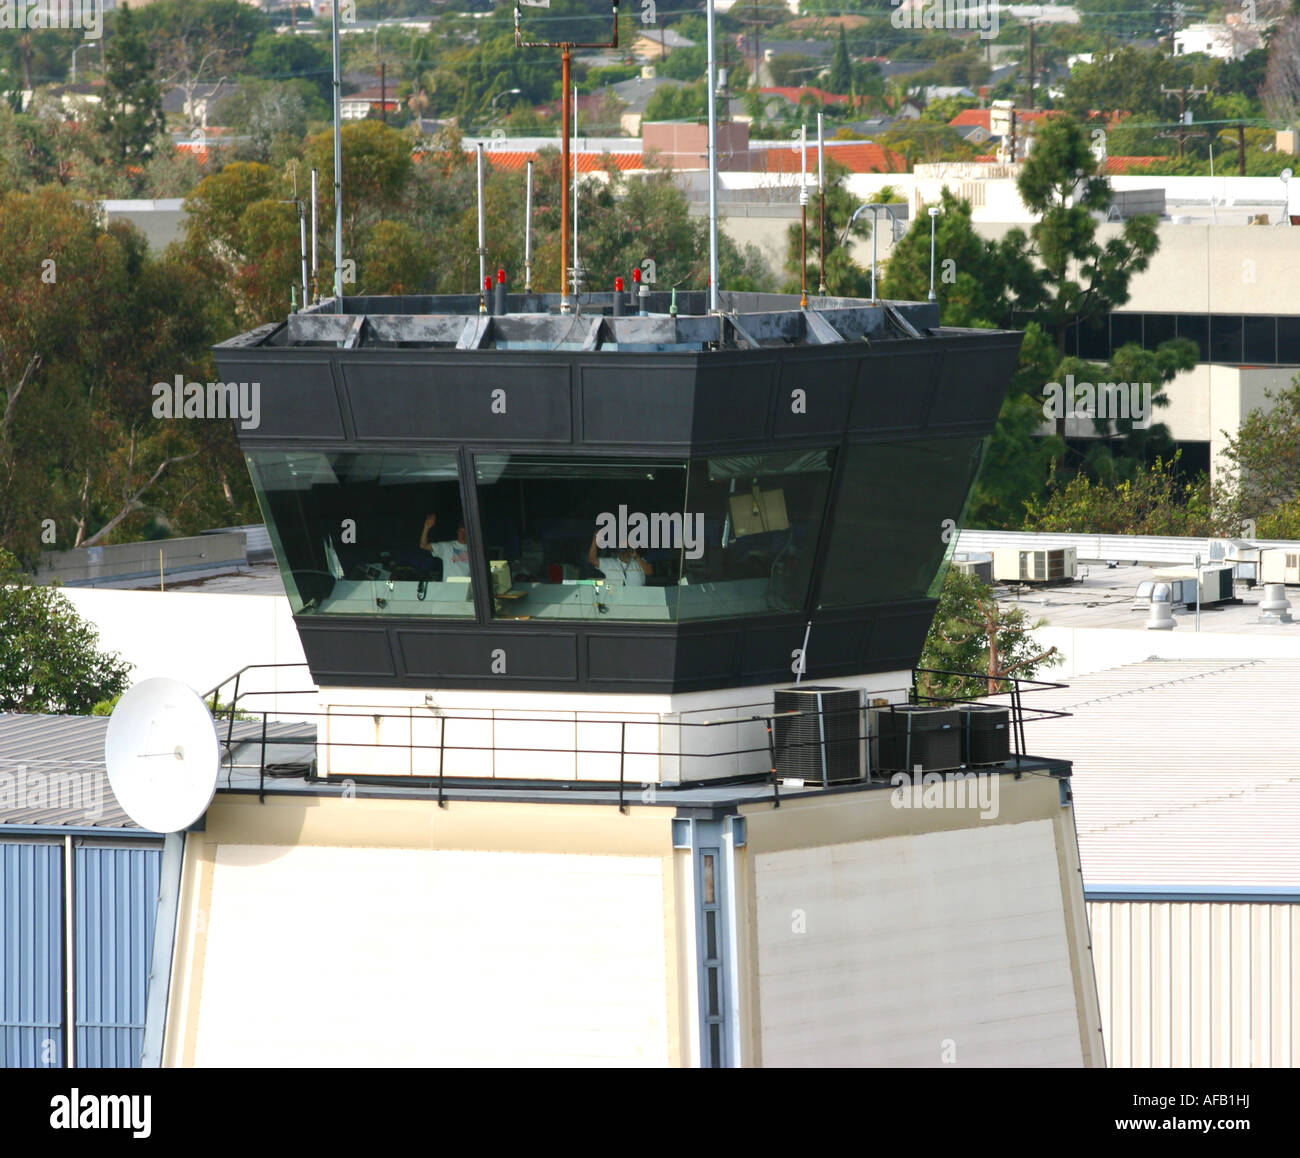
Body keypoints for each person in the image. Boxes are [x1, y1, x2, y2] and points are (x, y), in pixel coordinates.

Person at [419, 514, 471, 579]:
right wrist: (426, 527)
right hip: (450, 586)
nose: (463, 534)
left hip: (469, 586)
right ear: (457, 532)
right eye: (461, 531)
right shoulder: (446, 546)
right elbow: (423, 545)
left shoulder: (474, 549)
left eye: (465, 532)